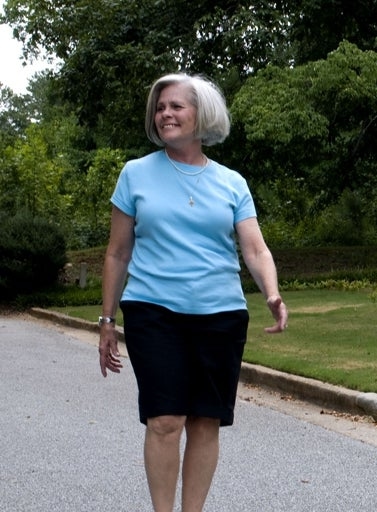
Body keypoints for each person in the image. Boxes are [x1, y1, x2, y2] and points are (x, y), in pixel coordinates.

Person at [97, 72, 288, 512]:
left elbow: (255, 248)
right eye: (160, 107)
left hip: (220, 314)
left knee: (206, 420)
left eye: (176, 106)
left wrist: (272, 293)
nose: (165, 113)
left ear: (201, 115)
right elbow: (117, 253)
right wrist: (107, 321)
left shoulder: (232, 183)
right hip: (153, 312)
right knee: (165, 419)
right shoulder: (135, 174)